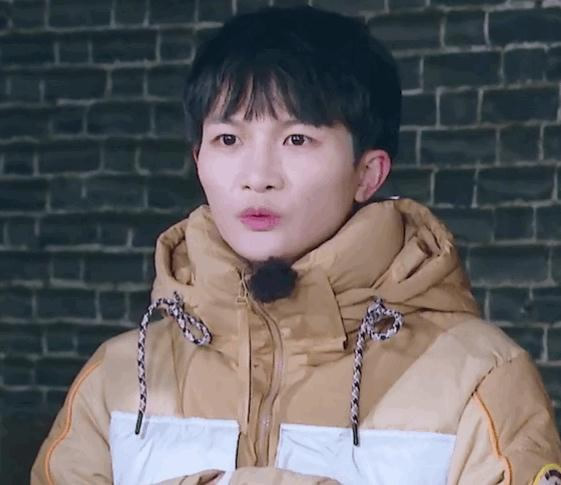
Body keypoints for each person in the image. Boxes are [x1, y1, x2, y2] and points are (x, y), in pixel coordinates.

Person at [31, 5, 561, 485]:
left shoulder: (478, 375)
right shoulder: (121, 375)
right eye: (228, 139)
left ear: (368, 172)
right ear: (198, 160)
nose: (257, 176)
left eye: (297, 139)